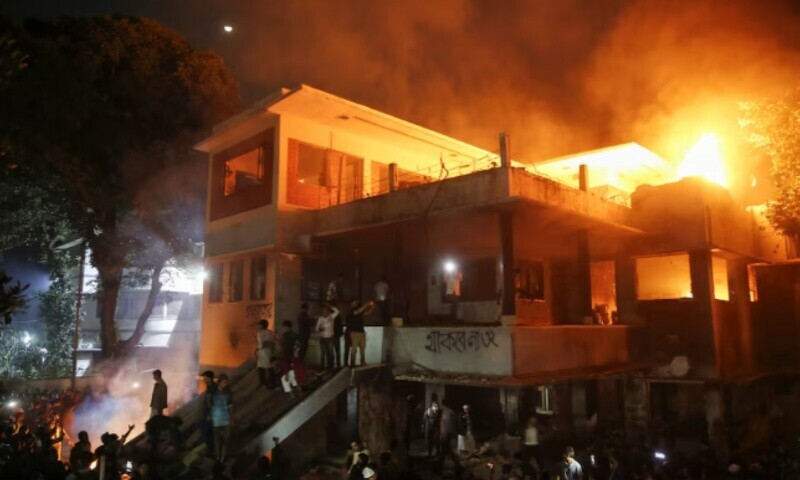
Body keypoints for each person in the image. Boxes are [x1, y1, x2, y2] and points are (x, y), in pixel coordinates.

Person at [211, 373, 233, 463]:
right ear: (219, 382)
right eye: (224, 382)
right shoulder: (213, 392)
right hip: (216, 419)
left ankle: (222, 458)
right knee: (217, 440)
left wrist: (232, 418)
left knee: (226, 440)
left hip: (225, 419)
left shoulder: (229, 392)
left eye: (226, 382)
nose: (225, 384)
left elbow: (230, 405)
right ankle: (217, 456)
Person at [347, 300, 374, 366]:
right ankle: (352, 364)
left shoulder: (359, 311)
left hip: (361, 332)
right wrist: (368, 304)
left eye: (356, 302)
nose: (356, 303)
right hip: (355, 333)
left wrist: (372, 308)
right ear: (351, 304)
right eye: (354, 302)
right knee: (354, 350)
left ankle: (362, 362)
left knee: (362, 348)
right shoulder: (351, 311)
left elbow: (367, 313)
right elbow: (359, 311)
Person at [315, 303, 339, 370]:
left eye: (326, 310)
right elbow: (316, 328)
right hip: (323, 338)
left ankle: (331, 367)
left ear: (328, 311)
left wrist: (329, 305)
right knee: (323, 353)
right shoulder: (320, 318)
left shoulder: (331, 316)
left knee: (331, 353)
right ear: (322, 311)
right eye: (323, 310)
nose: (325, 311)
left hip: (330, 338)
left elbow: (337, 311)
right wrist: (320, 329)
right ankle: (322, 368)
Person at [256, 319, 276, 390]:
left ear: (262, 325)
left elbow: (261, 343)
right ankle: (272, 382)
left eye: (260, 325)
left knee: (261, 367)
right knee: (270, 367)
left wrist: (257, 350)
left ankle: (263, 383)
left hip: (262, 352)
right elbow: (273, 343)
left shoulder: (260, 333)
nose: (259, 326)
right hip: (269, 351)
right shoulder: (270, 332)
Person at [200, 370, 216, 457]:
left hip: (209, 414)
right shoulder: (211, 387)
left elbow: (212, 403)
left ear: (209, 378)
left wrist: (210, 414)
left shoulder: (212, 388)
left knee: (207, 433)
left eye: (205, 378)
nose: (203, 380)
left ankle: (210, 451)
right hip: (209, 414)